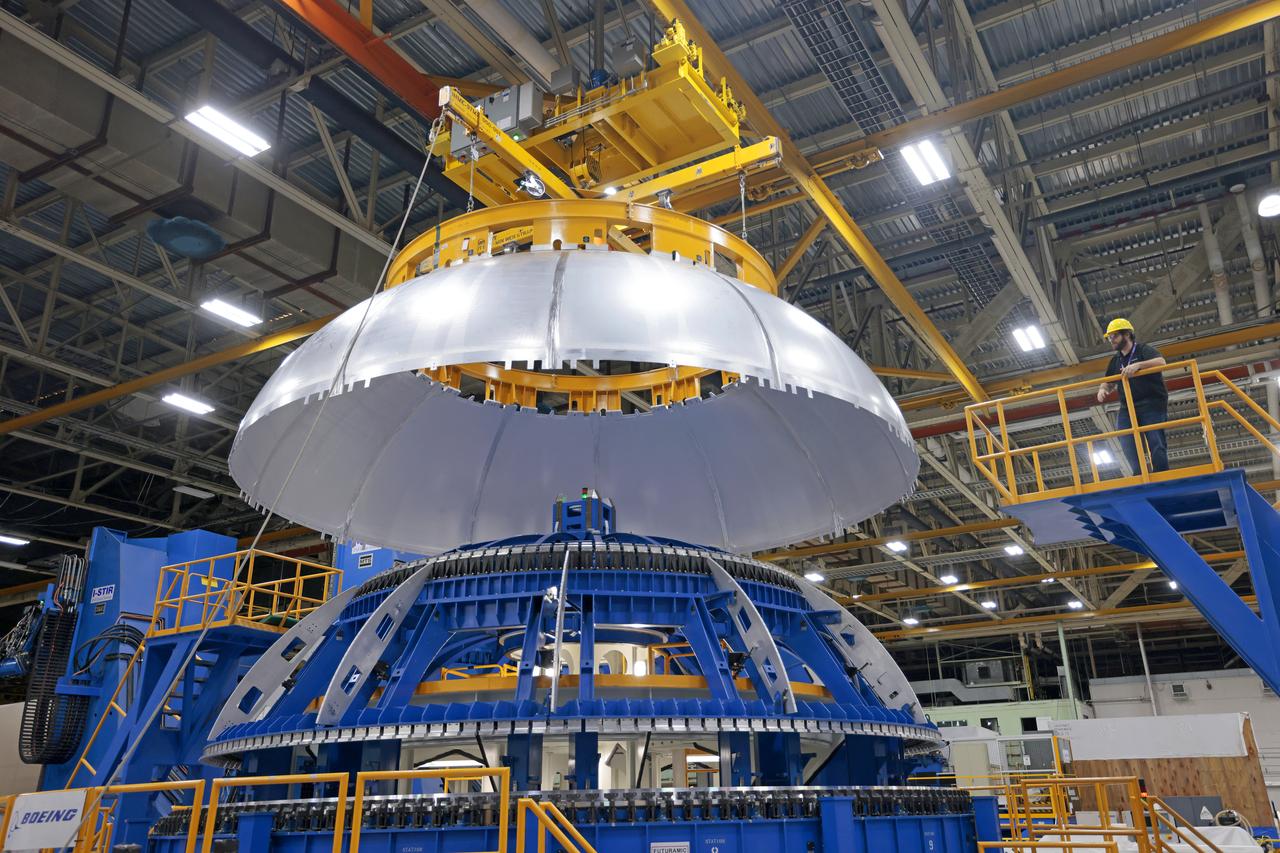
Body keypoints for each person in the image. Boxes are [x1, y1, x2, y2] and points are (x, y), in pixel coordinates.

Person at [1096, 318, 1169, 473]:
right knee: (1127, 440)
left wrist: (1138, 365)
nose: (1111, 340)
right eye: (1109, 337)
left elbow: (1161, 362)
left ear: (1127, 334)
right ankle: (1139, 474)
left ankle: (1163, 474)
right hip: (1127, 407)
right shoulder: (1116, 361)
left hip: (1151, 403)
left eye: (1114, 336)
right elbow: (1108, 381)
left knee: (1155, 439)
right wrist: (1103, 389)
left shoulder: (1143, 350)